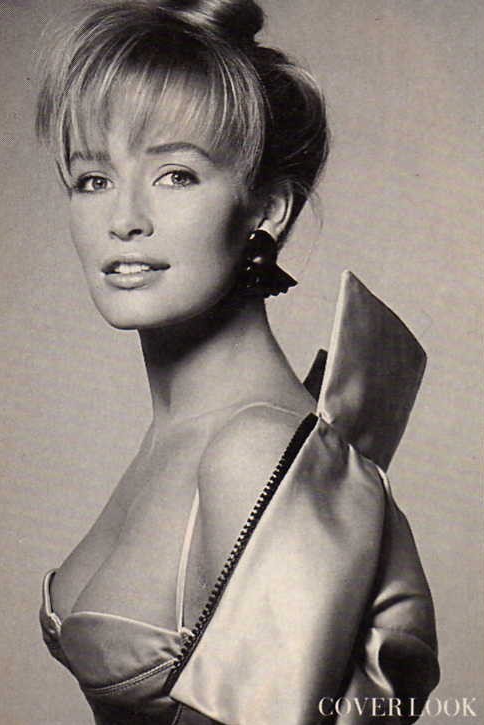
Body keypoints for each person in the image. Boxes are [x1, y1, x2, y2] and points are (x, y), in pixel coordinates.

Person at [37, 1, 440, 723]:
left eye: (176, 175)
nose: (123, 219)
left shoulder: (252, 448)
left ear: (267, 209)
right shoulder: (186, 428)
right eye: (93, 179)